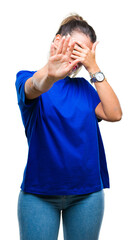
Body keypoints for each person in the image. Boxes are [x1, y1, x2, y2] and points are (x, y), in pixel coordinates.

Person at [15, 13, 122, 240]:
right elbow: (35, 86)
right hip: (39, 195)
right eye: (76, 50)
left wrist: (94, 68)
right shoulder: (26, 78)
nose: (78, 60)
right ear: (57, 42)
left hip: (87, 195)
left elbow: (114, 114)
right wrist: (50, 74)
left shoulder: (85, 88)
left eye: (85, 55)